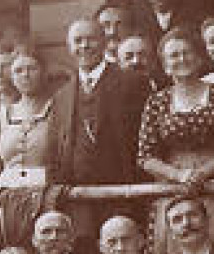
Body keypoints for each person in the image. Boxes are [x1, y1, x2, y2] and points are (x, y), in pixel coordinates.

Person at [137, 27, 214, 251]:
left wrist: (202, 174)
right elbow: (146, 156)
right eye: (173, 55)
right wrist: (179, 175)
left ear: (199, 58)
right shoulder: (157, 101)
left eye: (187, 53)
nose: (181, 59)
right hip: (174, 186)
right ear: (165, 65)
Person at [59, 16, 153, 240]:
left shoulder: (132, 83)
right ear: (69, 47)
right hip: (80, 200)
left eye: (90, 39)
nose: (84, 46)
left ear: (103, 41)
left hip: (124, 194)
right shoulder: (62, 95)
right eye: (77, 40)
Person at [0, 47, 73, 249]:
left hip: (46, 196)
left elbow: (66, 157)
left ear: (43, 72)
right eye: (18, 71)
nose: (25, 75)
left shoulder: (59, 111)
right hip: (5, 200)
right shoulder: (3, 115)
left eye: (31, 68)